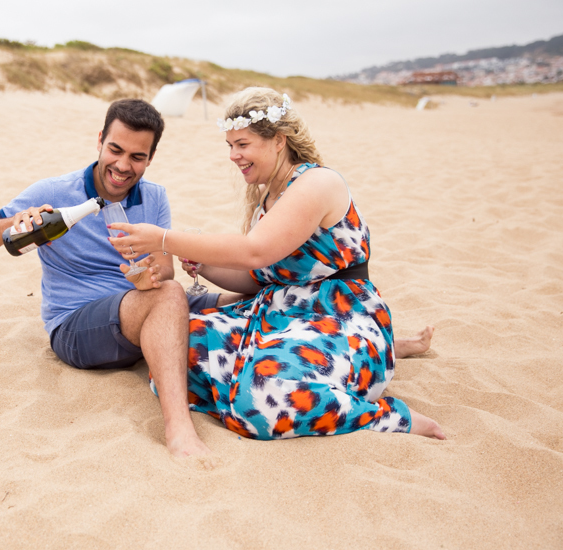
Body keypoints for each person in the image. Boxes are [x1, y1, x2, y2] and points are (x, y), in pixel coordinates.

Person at [108, 87, 445, 441]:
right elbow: (255, 278)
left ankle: (390, 415)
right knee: (182, 347)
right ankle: (374, 356)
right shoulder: (266, 199)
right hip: (279, 311)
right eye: (230, 145)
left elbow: (255, 252)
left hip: (339, 315)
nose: (234, 155)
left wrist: (163, 238)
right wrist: (200, 263)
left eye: (243, 144)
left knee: (263, 394)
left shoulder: (317, 183)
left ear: (278, 141)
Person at [0, 99, 219, 458]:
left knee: (236, 301)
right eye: (115, 149)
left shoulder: (155, 196)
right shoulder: (54, 193)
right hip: (75, 326)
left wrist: (145, 277)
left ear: (151, 157)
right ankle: (180, 432)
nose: (122, 165)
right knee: (169, 296)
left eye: (137, 156)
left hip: (142, 304)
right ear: (100, 140)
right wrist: (18, 221)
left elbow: (164, 271)